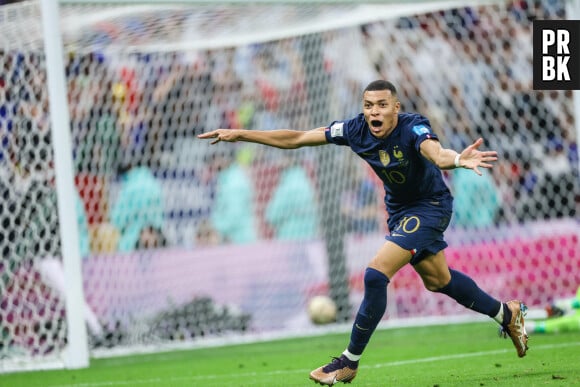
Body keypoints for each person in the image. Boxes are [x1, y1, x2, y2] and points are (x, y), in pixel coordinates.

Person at [198, 80, 528, 385]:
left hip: (430, 207)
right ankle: (506, 312)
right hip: (399, 211)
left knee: (375, 273)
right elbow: (297, 138)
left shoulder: (414, 126)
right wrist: (242, 135)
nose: (374, 111)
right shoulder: (355, 129)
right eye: (369, 105)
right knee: (438, 280)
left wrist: (456, 159)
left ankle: (348, 362)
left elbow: (436, 154)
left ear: (396, 108)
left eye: (382, 105)